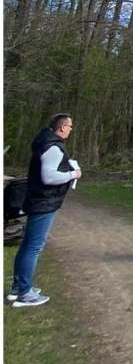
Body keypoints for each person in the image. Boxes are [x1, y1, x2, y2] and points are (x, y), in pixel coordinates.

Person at [9, 114, 80, 308]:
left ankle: (18, 287)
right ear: (63, 127)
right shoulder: (54, 148)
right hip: (43, 202)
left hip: (39, 200)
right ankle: (25, 293)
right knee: (34, 246)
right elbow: (49, 177)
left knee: (28, 245)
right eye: (70, 126)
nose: (71, 130)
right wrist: (73, 174)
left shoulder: (46, 143)